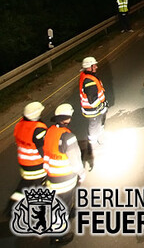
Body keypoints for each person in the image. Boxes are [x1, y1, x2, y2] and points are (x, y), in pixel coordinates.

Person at [43, 103, 85, 245]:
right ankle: (57, 236)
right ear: (68, 118)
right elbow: (75, 159)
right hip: (64, 179)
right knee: (62, 206)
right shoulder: (68, 136)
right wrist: (81, 172)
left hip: (51, 176)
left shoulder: (50, 131)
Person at [10, 102, 47, 206]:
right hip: (37, 166)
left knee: (25, 184)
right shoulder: (38, 129)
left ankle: (13, 205)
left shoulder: (19, 125)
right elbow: (42, 150)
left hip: (23, 164)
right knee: (42, 185)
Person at [79, 56, 107, 152]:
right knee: (94, 126)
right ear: (88, 67)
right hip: (92, 110)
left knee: (97, 124)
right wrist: (101, 106)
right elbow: (92, 100)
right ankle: (93, 145)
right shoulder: (89, 81)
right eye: (94, 65)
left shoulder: (87, 76)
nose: (96, 67)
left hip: (93, 109)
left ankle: (98, 139)